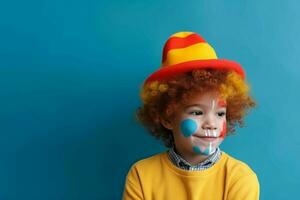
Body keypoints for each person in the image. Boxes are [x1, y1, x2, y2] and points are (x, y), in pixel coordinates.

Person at [122, 31, 260, 200]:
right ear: (167, 117)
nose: (211, 123)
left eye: (220, 113)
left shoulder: (240, 178)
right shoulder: (141, 175)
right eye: (197, 112)